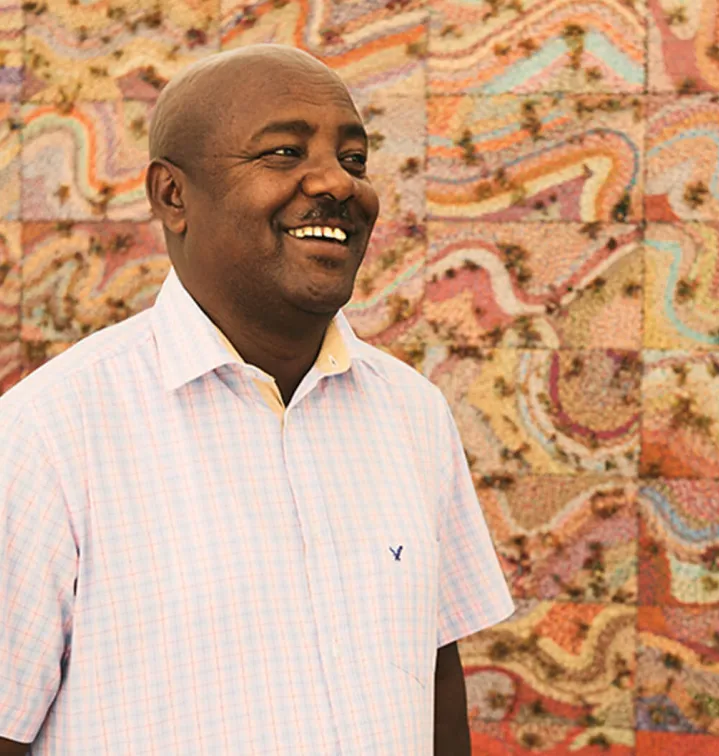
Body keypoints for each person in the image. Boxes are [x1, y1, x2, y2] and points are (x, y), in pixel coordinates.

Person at [0, 44, 514, 755]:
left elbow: (435, 686)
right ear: (172, 196)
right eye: (283, 153)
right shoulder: (49, 434)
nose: (337, 183)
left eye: (355, 159)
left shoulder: (413, 414)